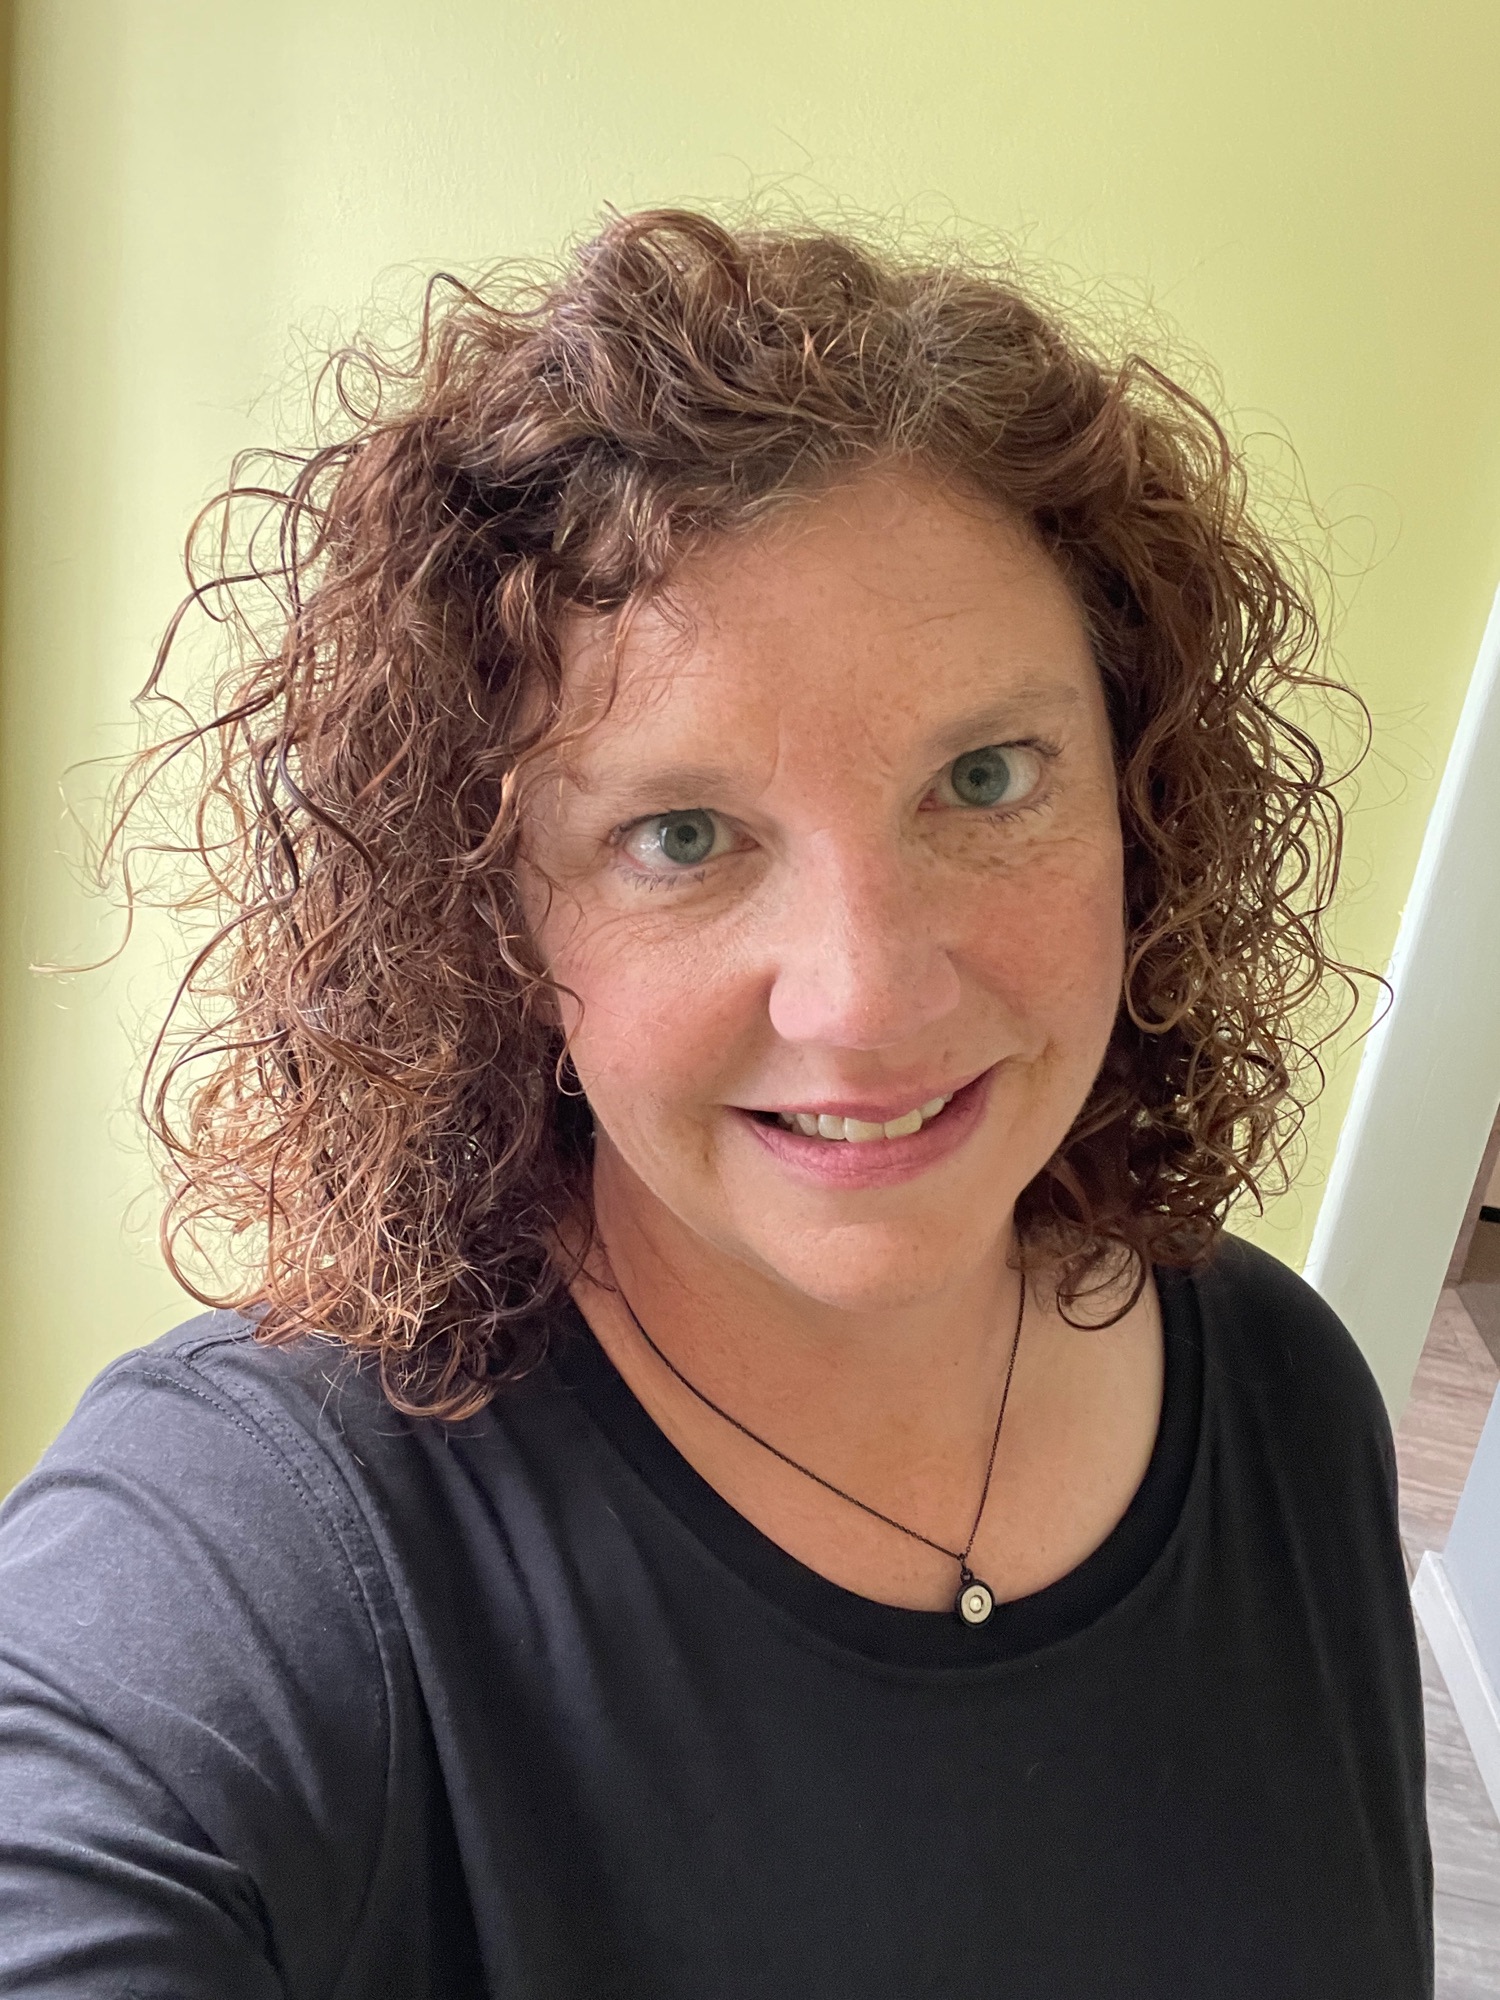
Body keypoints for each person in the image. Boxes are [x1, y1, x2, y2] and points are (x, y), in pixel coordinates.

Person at [0, 209, 1431, 1997]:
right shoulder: (271, 1538)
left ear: (1139, 799)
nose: (867, 995)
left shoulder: (1286, 1394)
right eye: (679, 836)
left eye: (987, 779)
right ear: (493, 917)